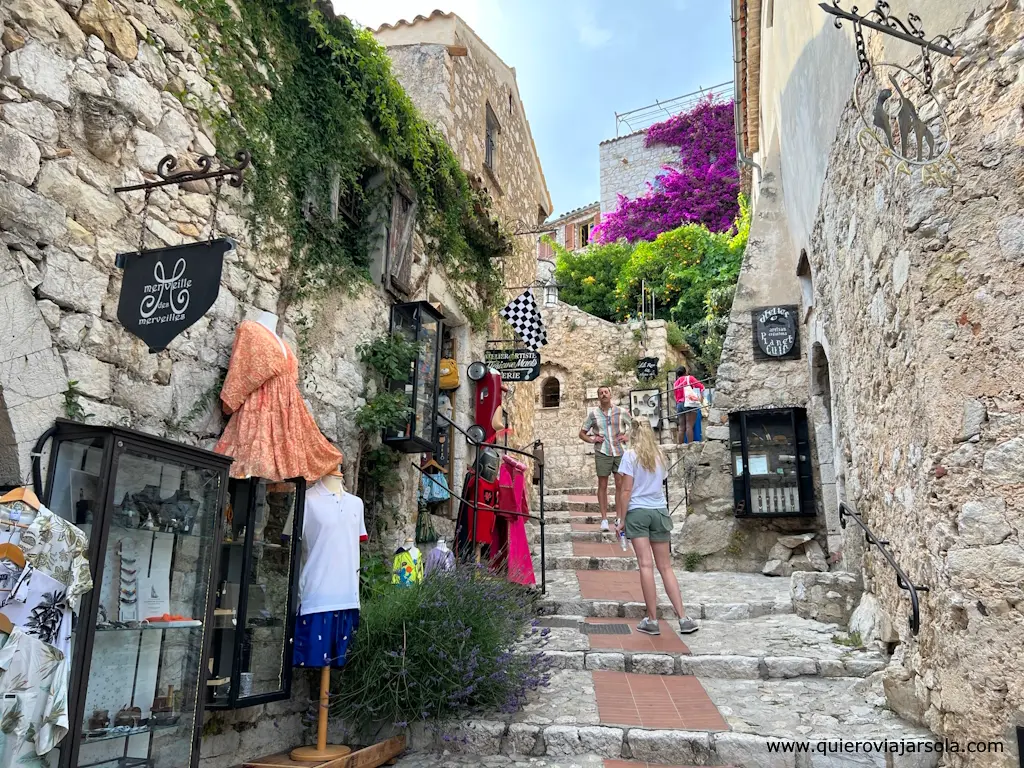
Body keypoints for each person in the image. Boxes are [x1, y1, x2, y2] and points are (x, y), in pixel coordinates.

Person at [614, 418, 699, 636]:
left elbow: (626, 491)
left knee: (645, 566)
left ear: (632, 434)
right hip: (659, 511)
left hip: (638, 512)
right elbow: (661, 482)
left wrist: (621, 520)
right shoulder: (661, 456)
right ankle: (683, 617)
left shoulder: (630, 456)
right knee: (666, 567)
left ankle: (652, 620)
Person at [578, 386, 628, 532]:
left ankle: (619, 517)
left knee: (620, 484)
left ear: (610, 394)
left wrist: (627, 436)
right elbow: (582, 433)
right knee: (603, 485)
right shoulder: (593, 415)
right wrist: (593, 439)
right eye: (601, 393)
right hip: (602, 452)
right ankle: (604, 519)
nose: (603, 394)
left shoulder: (621, 412)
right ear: (598, 396)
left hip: (619, 452)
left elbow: (635, 426)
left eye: (606, 392)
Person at [672, 366, 705, 445]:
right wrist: (701, 398)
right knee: (689, 426)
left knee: (681, 427)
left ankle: (680, 446)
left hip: (679, 405)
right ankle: (690, 446)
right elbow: (702, 387)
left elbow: (675, 396)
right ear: (685, 372)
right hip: (689, 403)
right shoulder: (689, 378)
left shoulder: (675, 383)